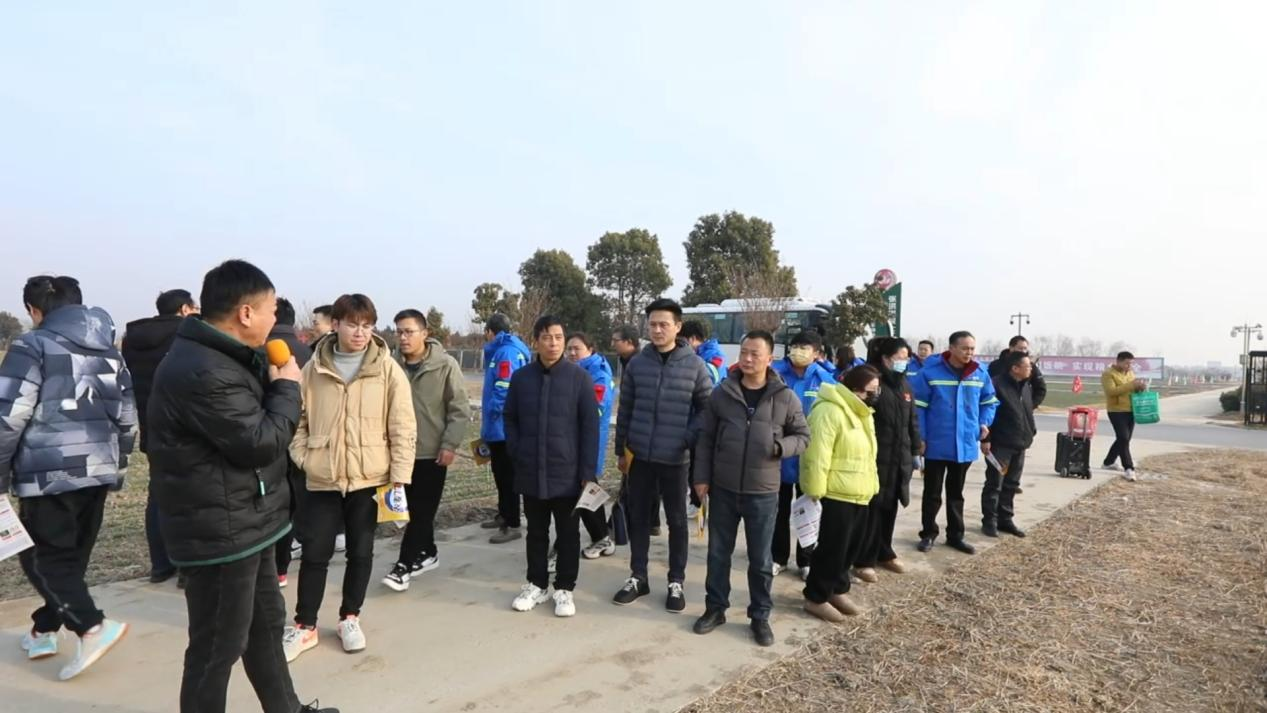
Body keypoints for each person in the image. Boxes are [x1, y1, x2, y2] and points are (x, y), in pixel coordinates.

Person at [147, 260, 337, 712]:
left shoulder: (224, 357)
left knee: (266, 627)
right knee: (217, 645)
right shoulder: (203, 369)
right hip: (219, 531)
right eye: (271, 309)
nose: (276, 320)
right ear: (246, 313)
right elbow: (259, 442)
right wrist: (288, 388)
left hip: (246, 521)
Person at [0, 275, 135, 680]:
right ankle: (44, 629)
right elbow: (127, 417)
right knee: (69, 559)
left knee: (42, 558)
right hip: (98, 468)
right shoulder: (111, 353)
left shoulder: (32, 346)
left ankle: (91, 626)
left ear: (34, 310)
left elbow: (8, 416)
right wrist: (118, 467)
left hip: (50, 471)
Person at [284, 294, 417, 662]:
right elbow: (297, 421)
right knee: (315, 552)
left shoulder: (387, 369)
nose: (360, 332)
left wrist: (398, 478)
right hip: (322, 477)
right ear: (336, 324)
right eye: (353, 324)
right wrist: (306, 458)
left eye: (367, 325)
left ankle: (350, 617)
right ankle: (305, 625)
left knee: (361, 551)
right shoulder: (313, 369)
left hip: (369, 478)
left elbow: (403, 426)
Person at [692, 330, 809, 646]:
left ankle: (760, 616)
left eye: (754, 354)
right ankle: (715, 608)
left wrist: (780, 447)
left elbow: (803, 436)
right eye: (743, 352)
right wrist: (701, 478)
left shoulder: (784, 397)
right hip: (724, 487)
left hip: (763, 491)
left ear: (770, 358)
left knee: (760, 559)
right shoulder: (723, 393)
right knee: (718, 554)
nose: (746, 358)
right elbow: (705, 438)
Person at [612, 298, 712, 612]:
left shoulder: (695, 366)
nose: (657, 330)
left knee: (677, 521)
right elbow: (625, 409)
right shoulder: (638, 364)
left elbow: (706, 410)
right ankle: (638, 576)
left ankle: (675, 581)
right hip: (640, 457)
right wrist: (621, 450)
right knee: (639, 518)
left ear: (677, 327)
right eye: (652, 324)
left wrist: (686, 438)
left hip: (676, 460)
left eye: (663, 324)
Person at [503, 315, 599, 616]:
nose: (553, 343)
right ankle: (536, 584)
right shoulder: (522, 378)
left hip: (567, 472)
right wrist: (517, 450)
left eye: (558, 337)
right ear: (536, 341)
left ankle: (564, 588)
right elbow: (510, 418)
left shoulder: (579, 378)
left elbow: (590, 428)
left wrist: (587, 471)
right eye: (546, 337)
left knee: (568, 533)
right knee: (536, 531)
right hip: (531, 469)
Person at [382, 309, 469, 592]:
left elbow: (458, 409)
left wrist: (449, 445)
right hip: (398, 452)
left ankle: (402, 566)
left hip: (431, 452)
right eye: (399, 332)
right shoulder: (389, 365)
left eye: (409, 331)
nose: (403, 337)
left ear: (425, 333)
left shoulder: (445, 365)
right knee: (409, 510)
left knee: (422, 511)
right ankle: (428, 552)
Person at [122, 288, 198, 584]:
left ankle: (161, 565)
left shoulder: (133, 340)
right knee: (191, 500)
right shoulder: (187, 335)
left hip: (151, 427)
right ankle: (187, 567)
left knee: (157, 495)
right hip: (186, 430)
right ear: (184, 309)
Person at [799, 365, 882, 623]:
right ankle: (816, 597)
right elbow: (816, 455)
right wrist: (815, 491)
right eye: (871, 390)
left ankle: (837, 589)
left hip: (859, 491)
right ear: (855, 389)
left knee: (849, 549)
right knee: (831, 550)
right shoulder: (829, 410)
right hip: (835, 493)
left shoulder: (862, 412)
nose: (875, 395)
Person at [910, 331, 998, 555]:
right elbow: (918, 408)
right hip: (936, 444)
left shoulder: (979, 372)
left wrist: (984, 422)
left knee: (956, 494)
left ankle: (955, 536)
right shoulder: (930, 372)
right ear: (952, 348)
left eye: (972, 349)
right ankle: (928, 534)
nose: (969, 353)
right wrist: (921, 438)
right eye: (965, 348)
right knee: (932, 493)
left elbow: (989, 401)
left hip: (964, 444)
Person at [853, 337, 922, 580]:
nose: (904, 362)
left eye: (906, 358)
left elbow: (912, 420)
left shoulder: (904, 385)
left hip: (899, 457)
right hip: (875, 456)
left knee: (890, 506)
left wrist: (915, 449)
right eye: (899, 358)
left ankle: (885, 552)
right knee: (871, 509)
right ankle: (863, 559)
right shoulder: (872, 383)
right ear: (885, 358)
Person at [770, 329, 836, 580]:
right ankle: (778, 557)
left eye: (805, 348)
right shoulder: (775, 375)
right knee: (778, 510)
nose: (798, 351)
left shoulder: (826, 381)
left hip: (810, 457)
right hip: (778, 453)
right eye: (795, 346)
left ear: (817, 353)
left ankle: (806, 560)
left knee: (809, 511)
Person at [270, 297, 314, 588]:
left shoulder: (258, 350)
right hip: (302, 437)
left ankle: (274, 567)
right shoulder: (308, 352)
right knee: (296, 500)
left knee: (272, 505)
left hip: (271, 439)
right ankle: (283, 567)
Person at [480, 313, 532, 544]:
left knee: (507, 476)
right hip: (496, 426)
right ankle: (503, 513)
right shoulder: (502, 350)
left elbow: (504, 387)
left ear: (490, 332)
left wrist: (493, 412)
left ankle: (512, 522)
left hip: (503, 426)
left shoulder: (507, 352)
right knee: (499, 474)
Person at [566, 332, 618, 559]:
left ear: (590, 349)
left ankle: (601, 537)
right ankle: (601, 536)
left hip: (588, 442)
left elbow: (594, 411)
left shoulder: (599, 375)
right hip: (571, 441)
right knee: (584, 490)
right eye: (569, 348)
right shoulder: (573, 371)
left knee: (584, 489)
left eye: (576, 348)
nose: (572, 353)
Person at [610, 323, 662, 534]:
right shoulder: (628, 362)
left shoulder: (640, 365)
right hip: (633, 431)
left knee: (639, 481)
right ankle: (650, 522)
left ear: (629, 342)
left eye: (616, 340)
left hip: (641, 433)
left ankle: (631, 524)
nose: (612, 344)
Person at [982, 352, 1036, 538]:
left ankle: (1005, 519)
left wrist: (1031, 431)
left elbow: (1027, 411)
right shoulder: (996, 385)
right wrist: (986, 439)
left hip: (1020, 443)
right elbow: (987, 413)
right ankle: (989, 521)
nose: (1031, 369)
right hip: (1000, 444)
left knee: (1011, 484)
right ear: (1015, 368)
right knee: (995, 484)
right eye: (1028, 366)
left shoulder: (1025, 386)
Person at [1102, 351, 1146, 482]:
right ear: (1118, 361)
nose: (1129, 366)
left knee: (1124, 439)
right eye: (1127, 363)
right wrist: (1131, 385)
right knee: (1123, 438)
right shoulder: (1108, 374)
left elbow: (1132, 389)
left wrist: (1139, 388)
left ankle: (1108, 462)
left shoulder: (1130, 373)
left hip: (1131, 409)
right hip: (1116, 410)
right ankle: (1129, 468)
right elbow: (1111, 391)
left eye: (1131, 364)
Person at [987, 335, 1048, 407]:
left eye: (1025, 348)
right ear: (1011, 348)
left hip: (1022, 411)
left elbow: (1041, 388)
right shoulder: (995, 366)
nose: (1023, 351)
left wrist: (1029, 406)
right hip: (999, 410)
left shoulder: (1030, 366)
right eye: (1020, 348)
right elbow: (987, 388)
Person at [681, 320, 726, 387]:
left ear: (692, 339)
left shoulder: (716, 356)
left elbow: (708, 380)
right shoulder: (696, 353)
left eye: (682, 341)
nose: (679, 345)